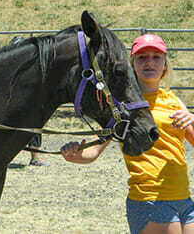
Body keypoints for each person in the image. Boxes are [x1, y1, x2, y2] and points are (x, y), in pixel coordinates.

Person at [60, 34, 194, 234]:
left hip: (184, 199)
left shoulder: (173, 100)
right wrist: (73, 153)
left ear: (165, 64)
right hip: (150, 199)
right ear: (132, 65)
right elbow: (92, 152)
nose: (149, 62)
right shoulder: (122, 106)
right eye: (142, 57)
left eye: (156, 57)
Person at [9, 36, 49, 167]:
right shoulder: (9, 64)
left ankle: (35, 157)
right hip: (14, 103)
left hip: (30, 102)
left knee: (35, 127)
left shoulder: (31, 64)